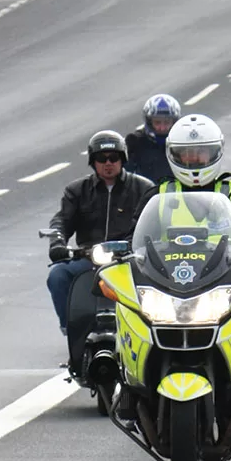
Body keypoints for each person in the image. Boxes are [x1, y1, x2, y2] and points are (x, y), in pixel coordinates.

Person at [46, 131, 153, 338]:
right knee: (57, 275)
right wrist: (57, 244)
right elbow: (61, 221)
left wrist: (133, 247)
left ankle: (150, 332)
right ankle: (72, 330)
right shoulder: (76, 191)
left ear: (123, 159)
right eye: (101, 159)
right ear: (92, 162)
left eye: (113, 158)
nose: (108, 163)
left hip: (130, 261)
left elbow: (152, 226)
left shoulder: (144, 189)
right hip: (88, 259)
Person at [131, 113, 231, 252]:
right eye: (187, 154)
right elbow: (135, 241)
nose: (194, 158)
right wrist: (125, 249)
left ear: (216, 152)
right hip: (165, 275)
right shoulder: (157, 196)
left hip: (228, 275)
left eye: (201, 152)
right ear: (174, 155)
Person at [125, 94, 181, 183]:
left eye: (166, 122)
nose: (162, 128)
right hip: (146, 194)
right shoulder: (135, 142)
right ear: (149, 122)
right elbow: (125, 175)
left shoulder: (182, 142)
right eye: (157, 122)